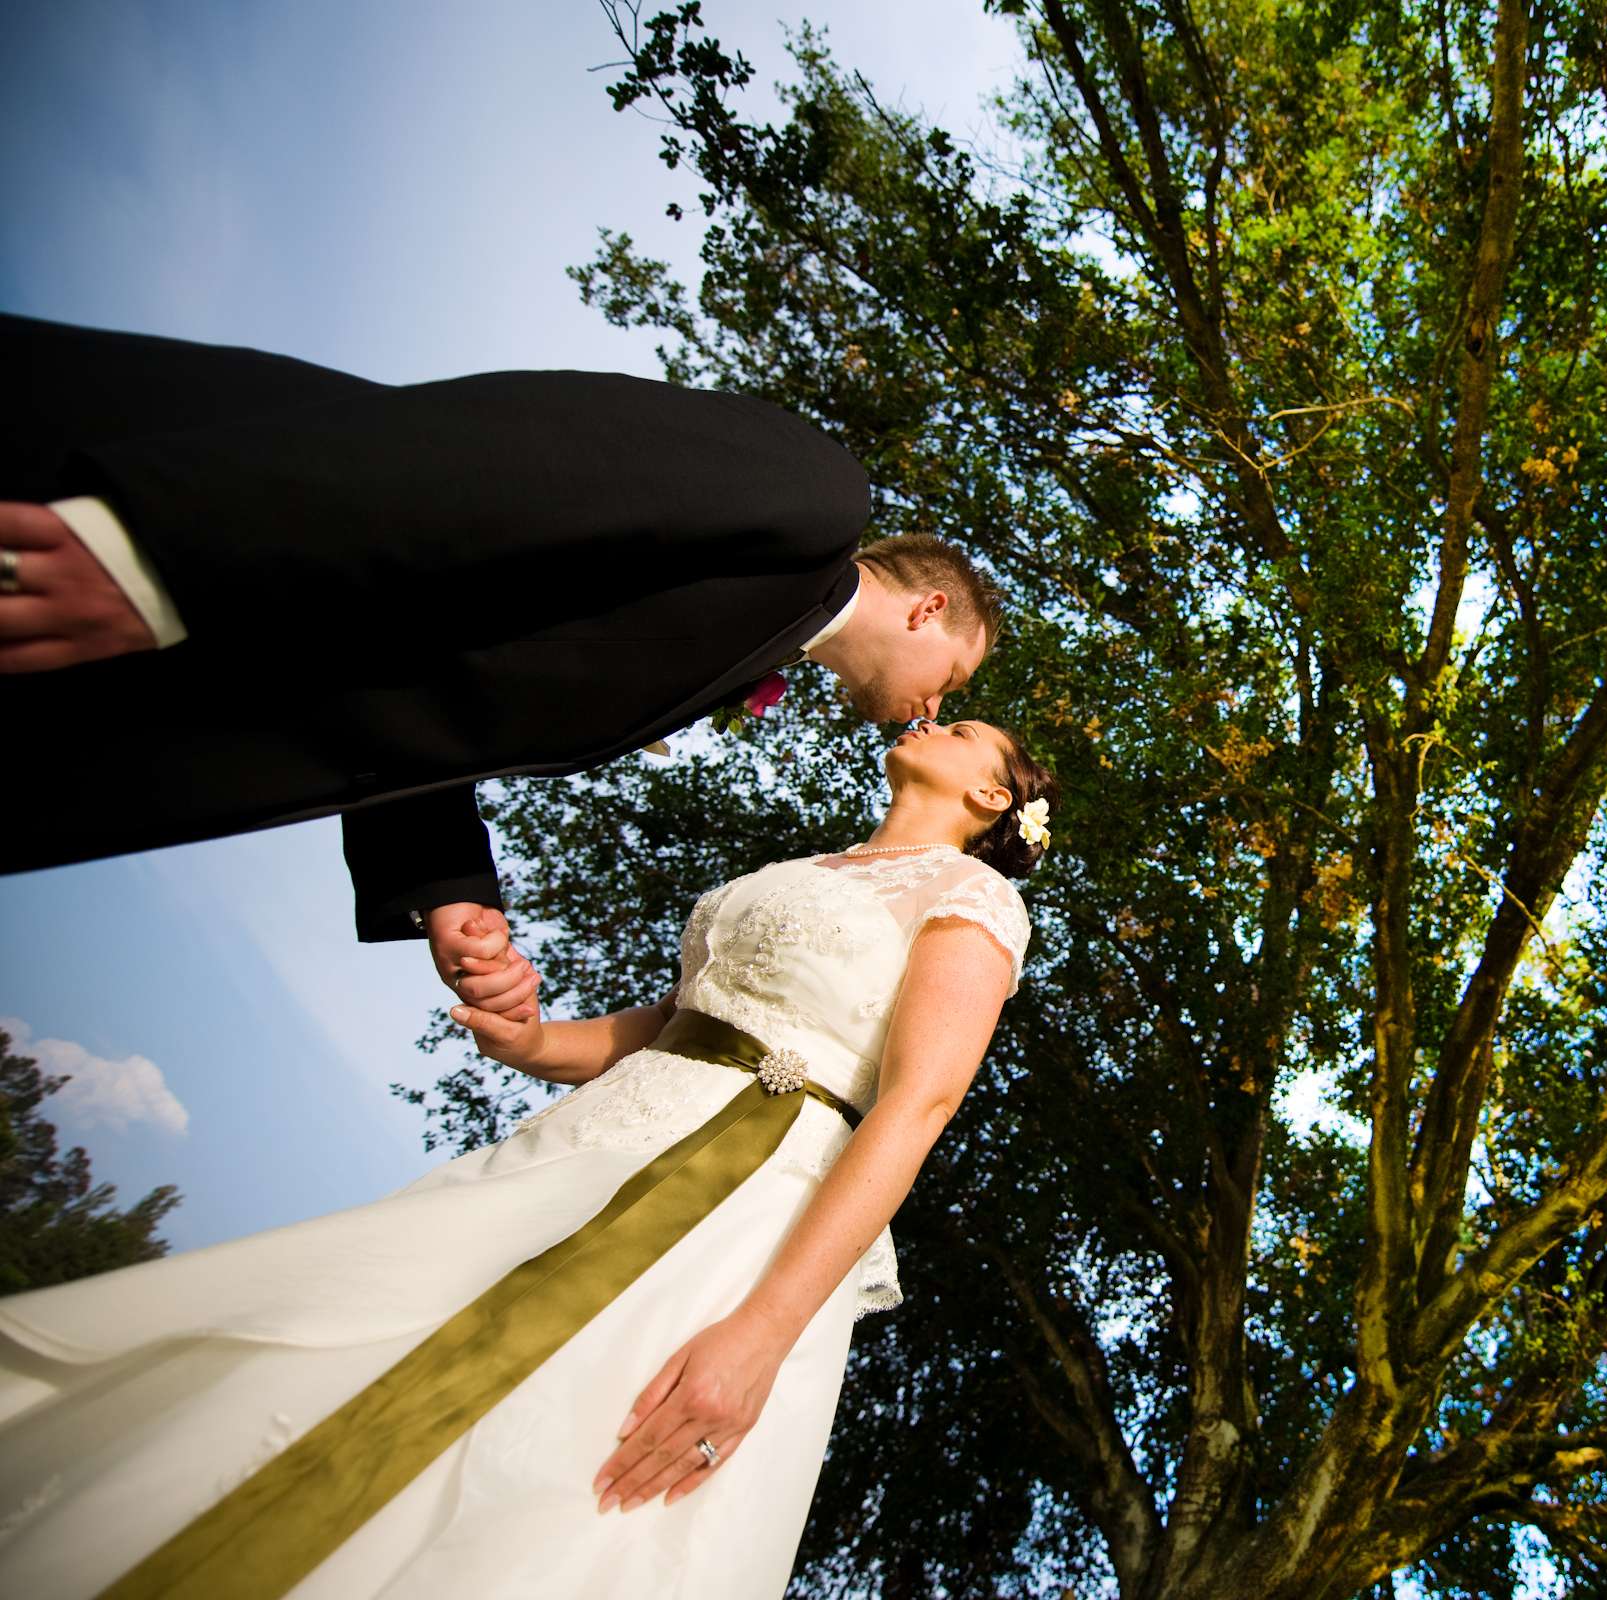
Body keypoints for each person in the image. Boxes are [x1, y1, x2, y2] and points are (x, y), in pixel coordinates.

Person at [0, 717, 1062, 1598]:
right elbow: (677, 1023)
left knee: (551, 1450)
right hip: (595, 1142)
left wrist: (761, 1333)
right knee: (382, 1319)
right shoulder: (810, 869)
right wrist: (529, 1040)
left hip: (738, 1203)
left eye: (968, 729)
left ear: (990, 802)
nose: (936, 715)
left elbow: (917, 1101)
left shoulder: (973, 898)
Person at [0, 312, 1000, 1023]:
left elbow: (429, 668)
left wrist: (445, 882)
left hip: (142, 702)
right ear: (926, 607)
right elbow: (525, 454)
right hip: (89, 517)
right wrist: (163, 547)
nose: (936, 704)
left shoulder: (744, 655)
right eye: (954, 675)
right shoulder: (818, 494)